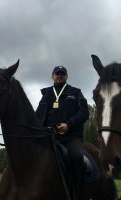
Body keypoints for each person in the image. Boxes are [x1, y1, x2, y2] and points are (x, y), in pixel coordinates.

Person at [36, 65, 89, 200]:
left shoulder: (76, 92)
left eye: (62, 74)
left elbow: (84, 112)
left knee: (77, 156)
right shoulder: (46, 94)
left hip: (70, 137)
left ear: (66, 76)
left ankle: (78, 194)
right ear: (52, 76)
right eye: (57, 73)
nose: (59, 75)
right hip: (48, 137)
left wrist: (69, 125)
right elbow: (38, 116)